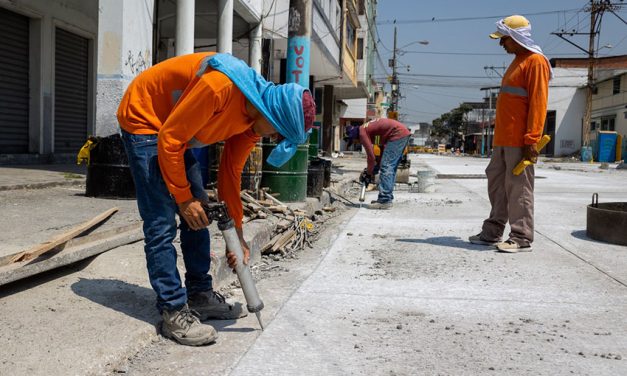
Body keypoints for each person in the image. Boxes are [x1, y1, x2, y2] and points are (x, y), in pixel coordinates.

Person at [117, 52, 316, 346]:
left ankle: (199, 293)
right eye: (277, 133)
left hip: (175, 130)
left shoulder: (253, 121)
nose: (273, 138)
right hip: (146, 118)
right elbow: (169, 139)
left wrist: (237, 235)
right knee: (161, 222)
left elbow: (230, 175)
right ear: (272, 115)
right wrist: (183, 199)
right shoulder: (220, 88)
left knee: (200, 215)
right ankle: (172, 310)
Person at [469, 15, 551, 253]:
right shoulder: (517, 61)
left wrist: (532, 139)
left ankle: (521, 236)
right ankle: (493, 231)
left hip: (520, 140)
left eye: (503, 38)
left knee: (519, 188)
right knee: (497, 184)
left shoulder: (535, 62)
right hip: (503, 139)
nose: (501, 43)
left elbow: (538, 103)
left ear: (516, 37)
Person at [359, 117, 411, 209]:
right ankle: (387, 197)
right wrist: (374, 169)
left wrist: (368, 173)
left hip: (397, 134)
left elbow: (371, 157)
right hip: (401, 133)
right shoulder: (371, 130)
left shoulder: (362, 132)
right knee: (389, 166)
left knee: (387, 166)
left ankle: (384, 200)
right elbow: (381, 151)